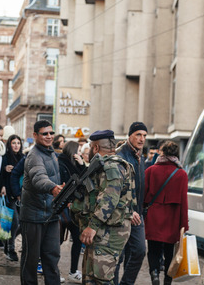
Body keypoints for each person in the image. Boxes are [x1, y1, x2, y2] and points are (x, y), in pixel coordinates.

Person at [71, 130, 135, 284]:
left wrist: (92, 226)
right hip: (103, 230)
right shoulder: (105, 165)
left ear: (96, 148)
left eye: (91, 147)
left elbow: (109, 199)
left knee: (100, 279)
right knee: (91, 276)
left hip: (109, 232)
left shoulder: (111, 167)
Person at [20, 120, 64, 285]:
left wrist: (62, 192)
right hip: (33, 216)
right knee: (30, 261)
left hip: (51, 215)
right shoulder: (34, 156)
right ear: (35, 136)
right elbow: (39, 178)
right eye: (45, 133)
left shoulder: (51, 152)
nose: (49, 136)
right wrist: (53, 188)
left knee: (52, 259)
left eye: (51, 133)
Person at [144, 141, 189, 285]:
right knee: (170, 250)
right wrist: (184, 224)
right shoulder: (181, 173)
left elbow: (143, 196)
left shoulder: (150, 170)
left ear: (161, 153)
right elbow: (184, 201)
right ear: (176, 154)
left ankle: (154, 273)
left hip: (153, 215)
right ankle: (167, 280)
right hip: (173, 217)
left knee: (153, 248)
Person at [114, 122, 147, 285]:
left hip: (137, 215)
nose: (142, 139)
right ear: (130, 136)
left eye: (144, 136)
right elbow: (114, 190)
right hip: (121, 214)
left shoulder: (141, 156)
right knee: (117, 257)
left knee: (140, 251)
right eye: (138, 135)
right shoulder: (120, 156)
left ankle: (126, 283)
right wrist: (128, 210)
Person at [58, 141, 86, 283]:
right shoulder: (60, 164)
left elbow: (85, 181)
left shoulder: (75, 165)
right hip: (62, 209)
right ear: (72, 152)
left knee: (77, 239)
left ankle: (73, 271)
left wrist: (81, 165)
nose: (80, 153)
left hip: (74, 209)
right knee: (57, 241)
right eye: (79, 150)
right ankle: (53, 271)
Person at [0, 134, 24, 262]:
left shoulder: (23, 157)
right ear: (9, 144)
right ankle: (10, 248)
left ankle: (7, 242)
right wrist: (4, 170)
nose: (16, 145)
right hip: (8, 194)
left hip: (20, 194)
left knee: (20, 223)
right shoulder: (5, 157)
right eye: (13, 143)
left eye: (18, 143)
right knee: (14, 221)